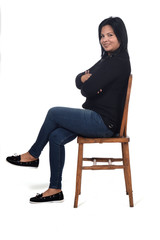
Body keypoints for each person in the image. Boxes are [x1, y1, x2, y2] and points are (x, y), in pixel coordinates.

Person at [6, 16, 131, 203]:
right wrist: (86, 80)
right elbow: (78, 80)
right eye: (102, 35)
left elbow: (86, 89)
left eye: (110, 35)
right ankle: (55, 189)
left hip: (104, 123)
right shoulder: (107, 59)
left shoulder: (118, 62)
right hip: (94, 117)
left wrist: (90, 83)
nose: (105, 39)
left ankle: (33, 155)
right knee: (56, 136)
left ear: (120, 36)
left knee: (54, 112)